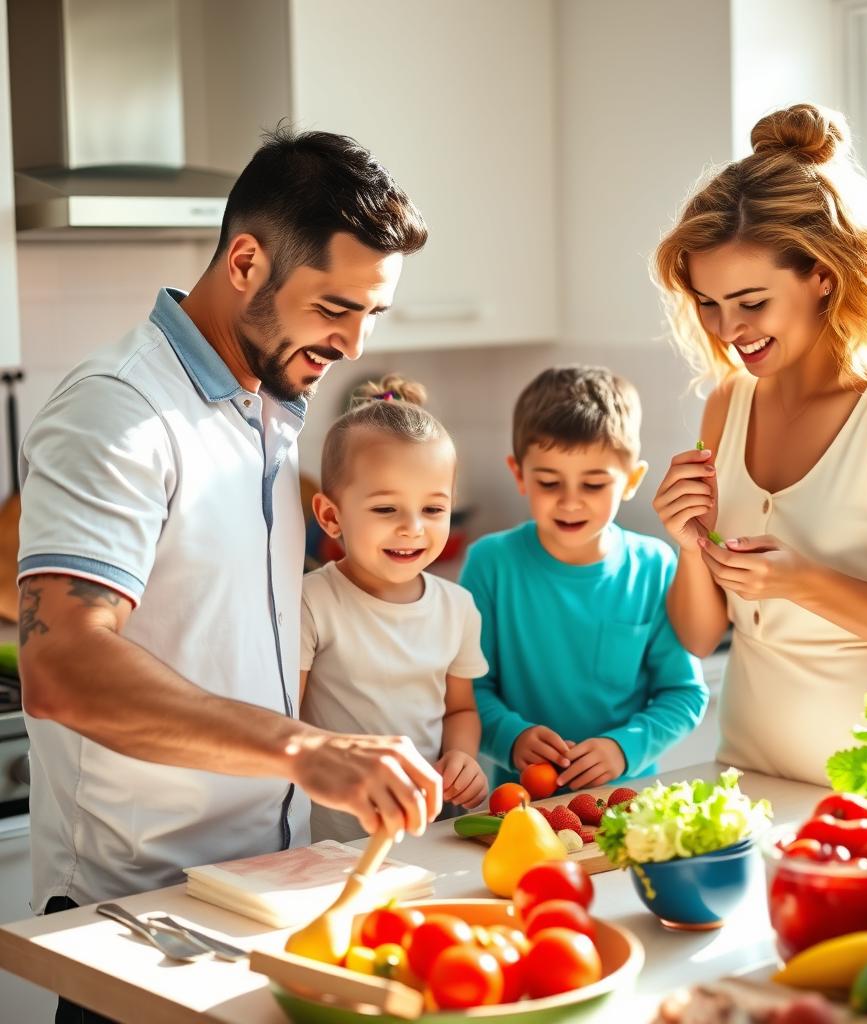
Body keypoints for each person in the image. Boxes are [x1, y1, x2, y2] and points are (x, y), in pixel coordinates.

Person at [16, 129, 444, 1023]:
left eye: (374, 313)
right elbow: (61, 668)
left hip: (258, 894)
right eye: (336, 306)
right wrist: (306, 750)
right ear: (246, 261)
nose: (356, 343)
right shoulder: (120, 410)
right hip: (140, 920)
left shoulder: (266, 407)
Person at [651, 103, 867, 785]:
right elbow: (696, 635)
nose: (728, 330)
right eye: (709, 304)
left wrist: (803, 582)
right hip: (752, 774)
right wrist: (687, 546)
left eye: (751, 301)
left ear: (823, 275)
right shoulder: (727, 405)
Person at [460, 365, 708, 792]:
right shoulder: (490, 563)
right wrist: (511, 736)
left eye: (593, 484)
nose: (570, 502)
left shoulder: (654, 566)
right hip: (522, 806)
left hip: (628, 801)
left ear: (631, 481)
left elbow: (685, 694)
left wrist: (623, 748)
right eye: (549, 482)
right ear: (519, 474)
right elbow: (466, 692)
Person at [300, 375, 489, 842]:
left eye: (433, 510)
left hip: (428, 831)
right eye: (386, 510)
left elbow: (460, 710)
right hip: (330, 837)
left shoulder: (458, 607)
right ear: (330, 516)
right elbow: (285, 724)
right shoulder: (311, 602)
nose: (412, 529)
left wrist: (462, 756)